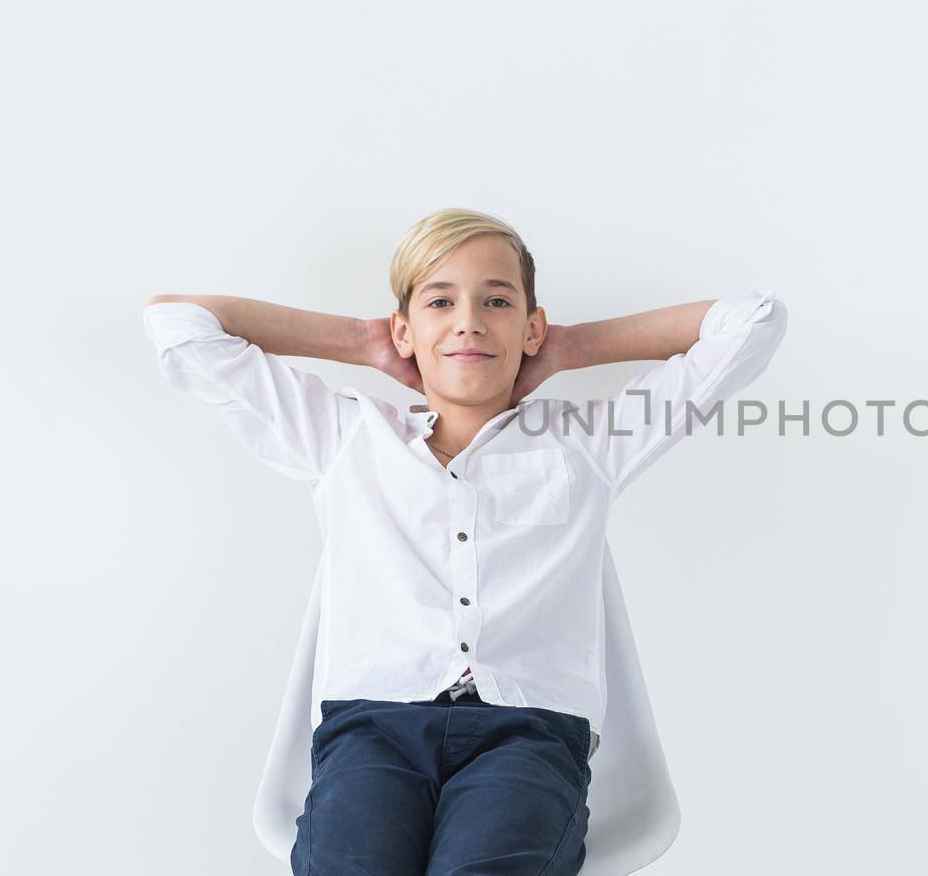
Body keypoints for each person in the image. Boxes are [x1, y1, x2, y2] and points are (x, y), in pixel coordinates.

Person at [142, 207, 788, 875]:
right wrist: (364, 341)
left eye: (498, 301)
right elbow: (177, 324)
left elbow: (752, 323)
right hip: (372, 731)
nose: (469, 321)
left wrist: (569, 348)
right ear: (405, 327)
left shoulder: (587, 444)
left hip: (528, 738)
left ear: (530, 325)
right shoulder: (344, 438)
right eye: (440, 302)